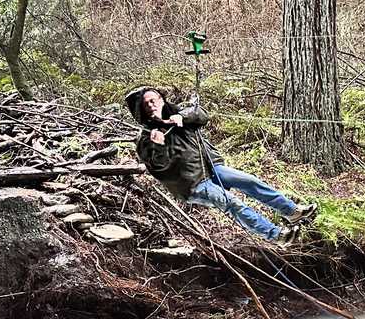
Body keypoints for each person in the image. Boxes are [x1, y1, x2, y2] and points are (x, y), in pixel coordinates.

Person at [125, 86, 317, 244]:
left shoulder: (177, 113)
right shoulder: (145, 137)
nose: (151, 105)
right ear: (141, 110)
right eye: (146, 104)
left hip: (211, 167)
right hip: (192, 184)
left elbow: (201, 115)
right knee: (231, 203)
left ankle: (292, 211)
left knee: (250, 181)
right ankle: (277, 235)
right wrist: (158, 146)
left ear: (161, 98)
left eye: (154, 100)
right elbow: (159, 169)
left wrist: (183, 117)